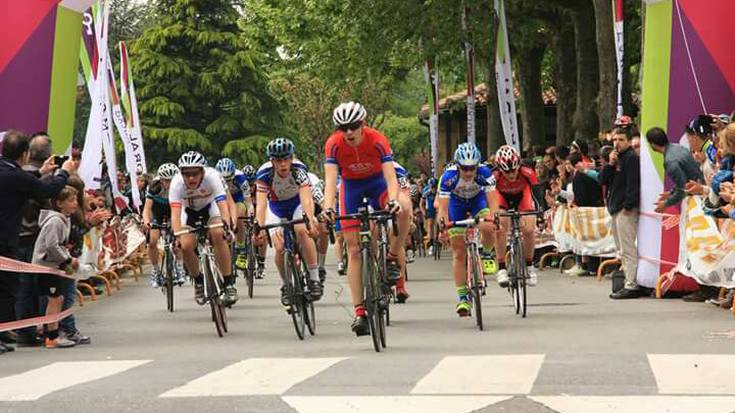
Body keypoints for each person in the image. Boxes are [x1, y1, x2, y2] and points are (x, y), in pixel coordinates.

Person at [320, 101, 408, 336]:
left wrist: (393, 200)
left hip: (377, 183)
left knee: (405, 208)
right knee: (354, 249)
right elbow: (330, 181)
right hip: (351, 188)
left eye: (354, 126)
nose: (348, 132)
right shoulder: (333, 144)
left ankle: (391, 257)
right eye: (343, 127)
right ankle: (359, 312)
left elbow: (391, 178)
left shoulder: (377, 139)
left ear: (363, 124)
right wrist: (327, 207)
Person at [0, 131, 76, 355]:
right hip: (5, 240)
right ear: (24, 154)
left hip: (8, 237)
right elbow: (47, 191)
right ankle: (5, 329)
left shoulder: (11, 173)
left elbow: (27, 184)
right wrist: (64, 173)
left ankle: (7, 331)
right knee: (7, 288)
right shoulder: (15, 176)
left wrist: (41, 173)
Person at [254, 138, 322, 306]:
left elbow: (306, 199)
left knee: (302, 229)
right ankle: (286, 284)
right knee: (278, 246)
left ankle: (314, 278)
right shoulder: (264, 175)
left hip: (296, 204)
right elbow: (261, 205)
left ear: (292, 158)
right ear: (272, 161)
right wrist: (259, 229)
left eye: (286, 159)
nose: (283, 164)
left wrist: (310, 221)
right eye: (278, 160)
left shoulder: (299, 170)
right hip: (276, 208)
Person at [169, 151, 237, 306]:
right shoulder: (176, 183)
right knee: (185, 245)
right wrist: (177, 235)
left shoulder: (212, 176)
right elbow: (175, 213)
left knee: (218, 233)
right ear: (182, 174)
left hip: (210, 207)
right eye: (187, 174)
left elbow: (222, 204)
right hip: (188, 212)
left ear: (202, 172)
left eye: (195, 173)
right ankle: (199, 281)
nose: (191, 178)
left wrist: (226, 224)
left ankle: (228, 284)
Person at [436, 143, 496, 317]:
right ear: (458, 166)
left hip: (478, 201)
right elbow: (443, 207)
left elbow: (493, 201)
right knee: (459, 251)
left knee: (488, 225)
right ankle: (463, 298)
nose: (469, 173)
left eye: (472, 168)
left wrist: (495, 217)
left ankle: (485, 254)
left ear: (478, 165)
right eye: (464, 168)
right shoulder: (449, 177)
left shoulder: (485, 173)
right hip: (456, 204)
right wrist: (443, 227)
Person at [32, 186, 79, 348]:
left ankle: (50, 330)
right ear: (59, 203)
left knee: (57, 298)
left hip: (53, 265)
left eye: (76, 200)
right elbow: (52, 246)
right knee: (55, 299)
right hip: (46, 265)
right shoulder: (55, 222)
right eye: (71, 200)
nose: (75, 204)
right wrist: (67, 259)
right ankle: (51, 336)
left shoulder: (64, 220)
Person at [599, 126, 642, 299]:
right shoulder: (615, 159)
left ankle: (631, 283)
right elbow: (602, 180)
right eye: (615, 140)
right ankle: (627, 280)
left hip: (625, 208)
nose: (617, 143)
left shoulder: (631, 158)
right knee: (620, 248)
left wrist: (629, 205)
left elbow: (633, 183)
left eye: (621, 140)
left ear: (629, 141)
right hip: (614, 207)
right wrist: (610, 164)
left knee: (627, 247)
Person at [491, 145, 540, 288]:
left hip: (522, 196)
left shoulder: (527, 172)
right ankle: (501, 268)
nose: (511, 174)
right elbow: (489, 197)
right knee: (500, 227)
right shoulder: (493, 176)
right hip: (501, 197)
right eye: (507, 171)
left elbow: (536, 193)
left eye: (514, 170)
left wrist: (540, 211)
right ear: (500, 169)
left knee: (529, 229)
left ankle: (529, 265)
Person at [142, 163, 186, 287]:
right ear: (161, 180)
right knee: (152, 240)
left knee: (178, 238)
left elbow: (183, 208)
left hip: (174, 209)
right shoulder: (154, 187)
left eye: (172, 181)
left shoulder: (181, 186)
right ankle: (156, 270)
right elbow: (147, 209)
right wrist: (146, 222)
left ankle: (179, 266)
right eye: (166, 181)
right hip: (158, 211)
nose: (169, 184)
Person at [646, 127, 704, 213]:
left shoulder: (670, 162)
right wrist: (671, 193)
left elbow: (682, 189)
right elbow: (685, 179)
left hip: (698, 198)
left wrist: (665, 204)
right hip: (701, 191)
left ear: (653, 144)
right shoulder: (679, 147)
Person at [215, 158, 252, 271]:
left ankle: (241, 249)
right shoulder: (213, 178)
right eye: (224, 180)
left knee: (239, 214)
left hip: (238, 199)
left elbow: (249, 201)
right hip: (221, 199)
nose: (226, 183)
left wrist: (251, 214)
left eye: (229, 180)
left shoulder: (241, 178)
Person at [421, 177, 438, 256]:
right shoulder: (426, 192)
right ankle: (431, 243)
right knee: (430, 224)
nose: (433, 189)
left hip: (437, 209)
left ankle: (437, 239)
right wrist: (423, 211)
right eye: (432, 187)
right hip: (429, 209)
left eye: (435, 187)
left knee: (437, 224)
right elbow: (421, 203)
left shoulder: (439, 192)